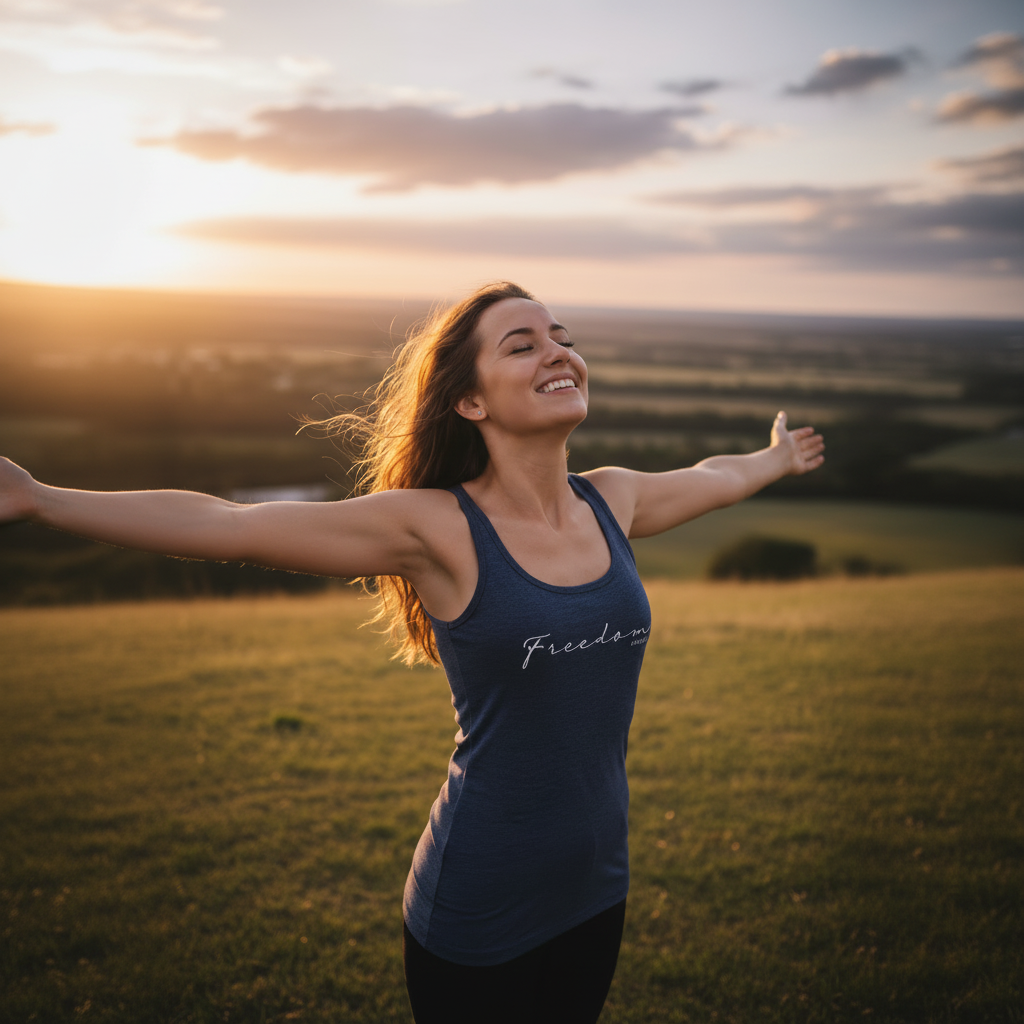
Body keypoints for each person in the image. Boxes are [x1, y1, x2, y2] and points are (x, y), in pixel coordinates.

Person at [0, 281, 824, 1023]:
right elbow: (229, 524)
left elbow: (715, 473)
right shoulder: (435, 528)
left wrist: (776, 458)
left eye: (561, 335)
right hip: (479, 904)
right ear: (470, 402)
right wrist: (38, 499)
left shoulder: (613, 499)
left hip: (596, 884)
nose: (558, 353)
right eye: (522, 343)